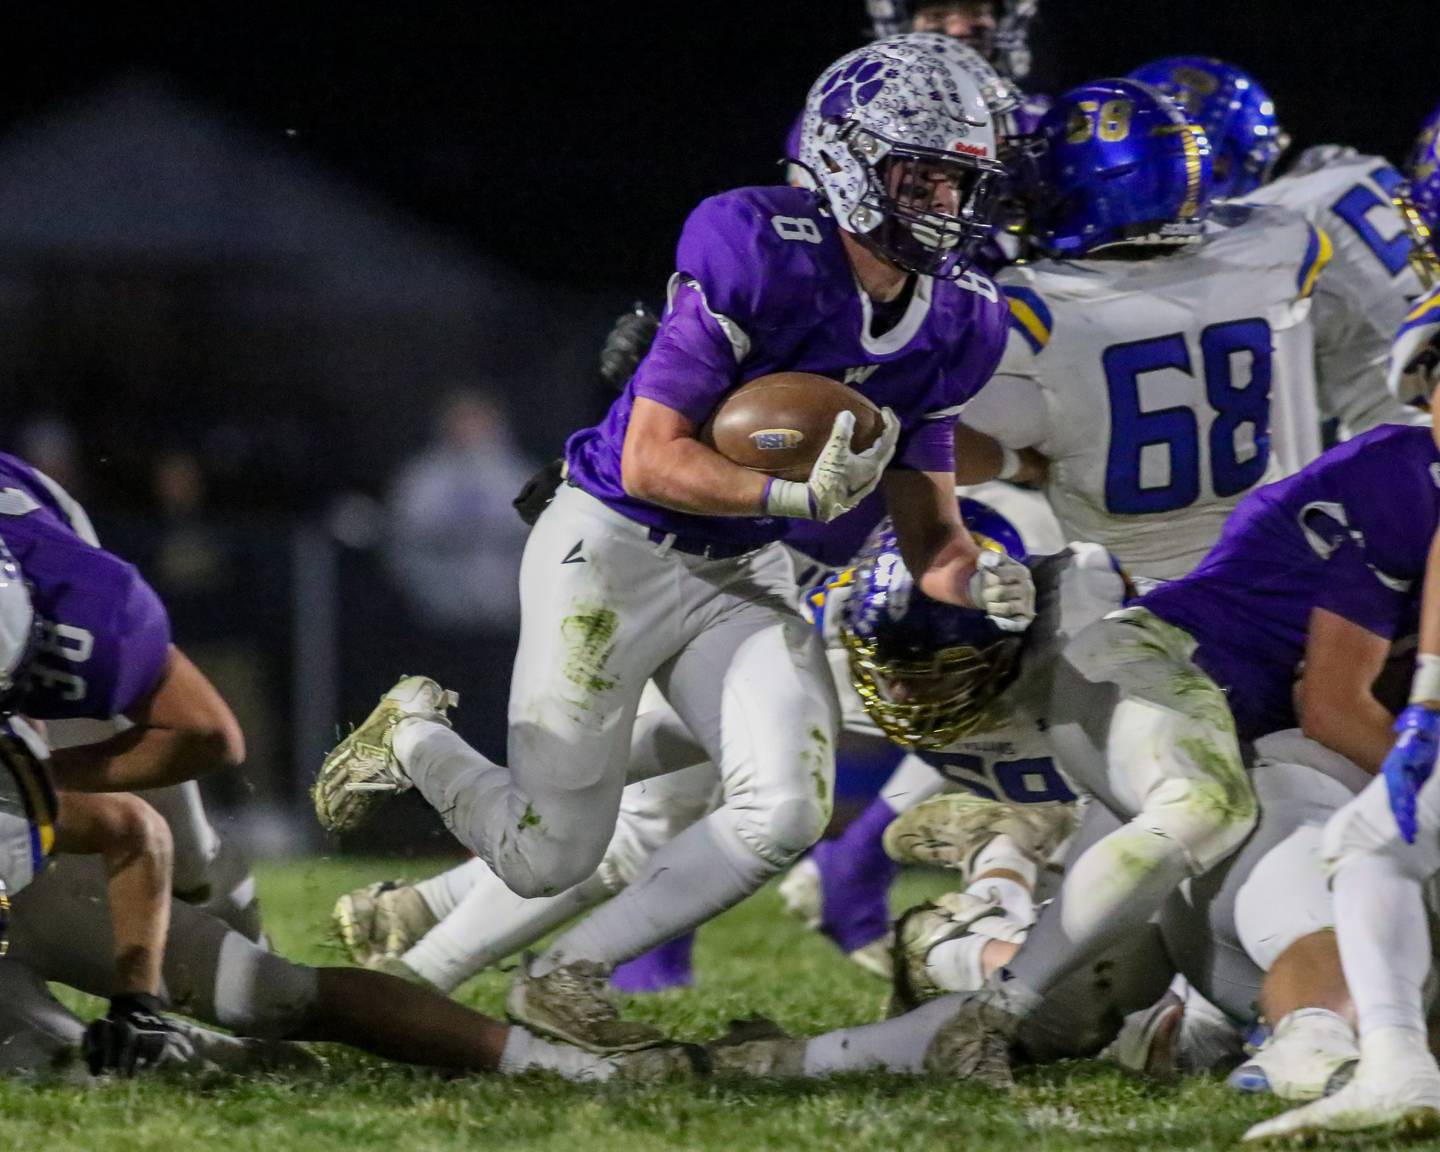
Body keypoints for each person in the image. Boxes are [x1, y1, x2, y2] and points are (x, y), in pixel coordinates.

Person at [315, 34, 1033, 1053]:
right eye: (923, 173)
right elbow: (653, 459)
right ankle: (414, 738)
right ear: (844, 159)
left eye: (961, 181)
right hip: (611, 544)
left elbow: (935, 534)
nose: (946, 203)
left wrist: (982, 579)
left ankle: (566, 977)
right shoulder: (758, 242)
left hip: (740, 568)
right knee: (549, 855)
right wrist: (789, 496)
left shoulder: (961, 318)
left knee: (786, 805)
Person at [956, 76, 1330, 581]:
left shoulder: (1038, 308)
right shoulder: (1271, 252)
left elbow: (935, 441)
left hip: (1132, 594)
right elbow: (1274, 235)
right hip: (1274, 567)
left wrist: (1015, 465)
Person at [1131, 56, 1433, 442]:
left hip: (1412, 446)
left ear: (1218, 163)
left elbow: (1274, 423)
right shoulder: (1353, 169)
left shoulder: (1270, 234)